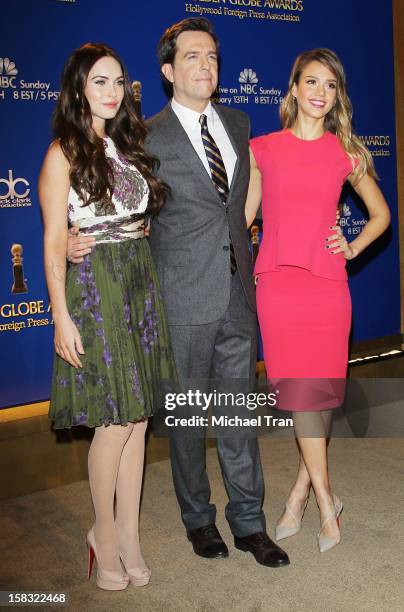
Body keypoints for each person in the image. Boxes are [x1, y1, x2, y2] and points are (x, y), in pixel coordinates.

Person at [67, 19, 290, 568]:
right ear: (167, 71)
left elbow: (242, 198)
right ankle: (198, 519)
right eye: (192, 57)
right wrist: (75, 238)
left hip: (239, 292)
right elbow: (108, 192)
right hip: (180, 297)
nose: (206, 65)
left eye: (212, 56)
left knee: (237, 415)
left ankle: (249, 523)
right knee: (190, 421)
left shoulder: (239, 123)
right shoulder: (144, 134)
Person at [39, 43, 177, 590]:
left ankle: (130, 535)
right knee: (115, 419)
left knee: (138, 416)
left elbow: (134, 216)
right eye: (100, 82)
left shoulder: (126, 143)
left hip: (137, 280)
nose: (113, 91)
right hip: (97, 289)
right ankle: (102, 533)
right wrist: (60, 315)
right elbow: (53, 241)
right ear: (78, 89)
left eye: (119, 81)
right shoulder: (62, 153)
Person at [246, 48, 390, 552]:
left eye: (330, 85)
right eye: (311, 81)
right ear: (293, 88)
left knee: (320, 394)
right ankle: (326, 500)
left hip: (327, 287)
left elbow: (381, 216)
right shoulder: (261, 148)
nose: (319, 92)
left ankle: (305, 495)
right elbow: (243, 218)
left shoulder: (344, 153)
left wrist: (350, 246)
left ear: (336, 97)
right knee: (300, 394)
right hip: (279, 286)